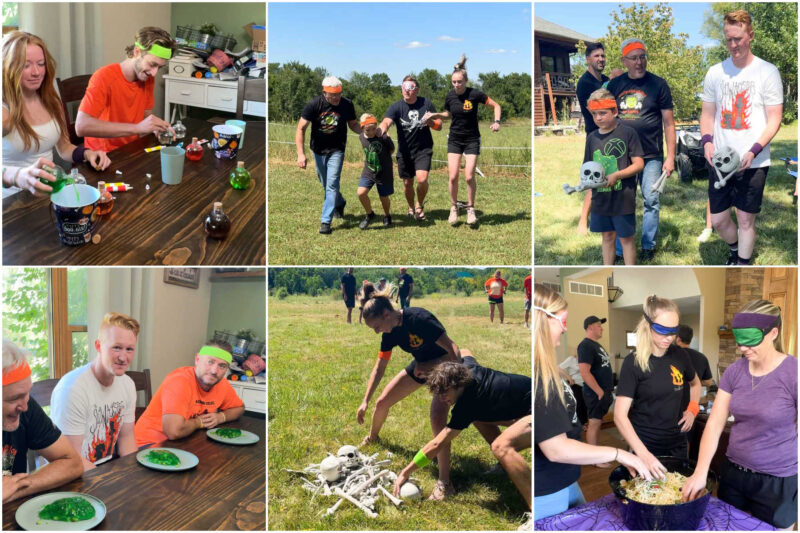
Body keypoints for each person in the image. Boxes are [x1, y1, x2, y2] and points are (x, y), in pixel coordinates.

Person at [534, 284, 649, 521]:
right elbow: (555, 449)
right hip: (545, 490)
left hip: (567, 479)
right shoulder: (537, 377)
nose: (565, 330)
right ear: (542, 321)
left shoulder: (548, 369)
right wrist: (620, 454)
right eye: (562, 321)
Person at [682, 300, 797, 529]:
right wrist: (700, 471)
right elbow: (714, 425)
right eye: (739, 338)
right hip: (734, 473)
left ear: (773, 332)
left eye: (751, 339)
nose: (743, 347)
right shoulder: (735, 371)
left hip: (777, 481)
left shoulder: (794, 372)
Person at [357, 284, 467, 500]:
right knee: (382, 402)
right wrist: (365, 401)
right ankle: (373, 438)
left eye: (377, 326)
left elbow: (453, 350)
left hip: (445, 367)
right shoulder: (390, 331)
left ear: (387, 314)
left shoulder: (419, 319)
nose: (378, 332)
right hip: (421, 366)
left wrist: (455, 383)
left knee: (437, 419)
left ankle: (445, 482)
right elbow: (380, 366)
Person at [392, 360, 532, 529]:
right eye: (438, 394)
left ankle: (535, 512)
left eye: (445, 393)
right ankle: (505, 466)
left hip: (544, 411)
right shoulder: (468, 370)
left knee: (500, 447)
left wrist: (406, 472)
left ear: (457, 385)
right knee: (478, 417)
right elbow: (465, 352)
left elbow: (437, 444)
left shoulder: (468, 403)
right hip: (533, 403)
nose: (442, 399)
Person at [700, 10, 783, 265]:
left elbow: (774, 119)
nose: (733, 45)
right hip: (721, 159)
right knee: (719, 219)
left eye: (738, 38)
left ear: (750, 36)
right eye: (728, 40)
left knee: (746, 220)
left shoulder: (767, 72)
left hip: (753, 161)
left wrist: (753, 150)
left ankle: (742, 265)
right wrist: (707, 142)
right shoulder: (715, 72)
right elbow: (707, 113)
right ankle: (735, 249)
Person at [2, 31, 111, 197]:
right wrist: (18, 176)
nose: (36, 72)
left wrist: (87, 153)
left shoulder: (51, 101)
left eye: (41, 64)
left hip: (48, 193)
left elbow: (64, 148)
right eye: (26, 65)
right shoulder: (4, 110)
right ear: (9, 67)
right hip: (10, 201)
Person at [614, 295, 702, 479]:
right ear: (648, 325)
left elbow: (695, 383)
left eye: (673, 331)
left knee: (675, 495)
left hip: (677, 444)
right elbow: (620, 416)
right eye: (662, 330)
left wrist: (692, 410)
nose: (669, 338)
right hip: (645, 444)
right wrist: (644, 455)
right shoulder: (634, 363)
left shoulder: (681, 356)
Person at [607, 38, 676, 263]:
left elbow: (669, 123)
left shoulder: (658, 85)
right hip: (622, 156)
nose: (639, 62)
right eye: (634, 58)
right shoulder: (616, 86)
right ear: (624, 61)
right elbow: (603, 113)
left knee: (651, 200)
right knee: (622, 202)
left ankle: (648, 245)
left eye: (642, 57)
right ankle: (619, 249)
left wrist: (671, 157)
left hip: (651, 155)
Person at [50, 313, 139, 471]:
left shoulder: (128, 385)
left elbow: (127, 438)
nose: (123, 357)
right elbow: (71, 460)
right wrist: (104, 484)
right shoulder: (72, 389)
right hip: (71, 474)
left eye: (129, 349)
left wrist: (132, 476)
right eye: (116, 347)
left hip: (106, 469)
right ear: (98, 346)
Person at [422, 55, 501, 226]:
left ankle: (471, 209)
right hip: (455, 139)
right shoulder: (450, 96)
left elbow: (496, 106)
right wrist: (435, 115)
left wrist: (496, 122)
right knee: (452, 176)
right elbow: (448, 114)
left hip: (472, 139)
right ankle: (454, 209)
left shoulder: (475, 94)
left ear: (465, 81)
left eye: (459, 82)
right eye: (454, 82)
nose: (456, 85)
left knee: (469, 175)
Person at [2, 339, 83, 503]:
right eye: (14, 399)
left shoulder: (27, 406)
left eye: (27, 394)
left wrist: (18, 486)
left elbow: (72, 463)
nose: (25, 407)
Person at [75, 27, 176, 153]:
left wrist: (156, 127)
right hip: (102, 156)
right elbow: (81, 126)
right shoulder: (104, 77)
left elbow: (146, 114)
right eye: (152, 64)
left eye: (159, 67)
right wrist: (138, 128)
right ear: (137, 52)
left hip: (131, 150)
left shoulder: (147, 77)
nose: (154, 73)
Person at [134, 341, 244, 446]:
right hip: (147, 445)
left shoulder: (222, 384)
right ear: (197, 359)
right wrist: (198, 422)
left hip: (185, 442)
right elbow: (174, 432)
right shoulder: (179, 381)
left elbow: (239, 408)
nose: (214, 371)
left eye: (222, 366)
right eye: (210, 362)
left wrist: (221, 417)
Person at [583, 88, 644, 265]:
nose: (598, 118)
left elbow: (639, 164)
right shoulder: (592, 138)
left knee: (626, 239)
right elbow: (587, 169)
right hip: (600, 200)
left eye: (603, 113)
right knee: (607, 236)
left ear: (615, 111)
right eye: (594, 114)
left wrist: (617, 175)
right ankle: (607, 271)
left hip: (622, 199)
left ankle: (631, 273)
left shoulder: (628, 133)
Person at [296, 76, 360, 235]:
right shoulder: (314, 104)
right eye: (333, 95)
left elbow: (352, 124)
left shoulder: (347, 104)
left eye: (339, 94)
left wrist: (365, 132)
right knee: (326, 184)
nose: (337, 98)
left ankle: (326, 222)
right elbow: (300, 128)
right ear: (325, 93)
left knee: (331, 184)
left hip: (337, 150)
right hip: (318, 150)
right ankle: (340, 202)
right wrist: (300, 154)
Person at [379, 75, 441, 220]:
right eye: (405, 87)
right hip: (404, 151)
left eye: (411, 88)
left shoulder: (426, 104)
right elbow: (386, 121)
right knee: (407, 183)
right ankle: (411, 207)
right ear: (401, 88)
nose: (407, 91)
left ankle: (419, 205)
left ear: (416, 90)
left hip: (423, 149)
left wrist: (430, 122)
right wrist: (381, 130)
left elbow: (439, 126)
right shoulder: (396, 107)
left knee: (422, 179)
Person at [576, 43, 609, 236]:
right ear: (588, 59)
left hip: (611, 133)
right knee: (592, 179)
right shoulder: (585, 82)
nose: (601, 59)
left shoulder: (605, 79)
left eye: (603, 56)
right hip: (595, 136)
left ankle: (607, 217)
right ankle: (582, 221)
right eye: (596, 56)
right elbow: (597, 104)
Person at [578, 315, 614, 466]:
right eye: (599, 325)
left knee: (597, 423)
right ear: (590, 327)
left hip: (603, 392)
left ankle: (595, 454)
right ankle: (594, 460)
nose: (602, 328)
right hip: (595, 393)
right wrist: (599, 391)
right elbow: (584, 372)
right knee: (594, 423)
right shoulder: (585, 345)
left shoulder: (596, 345)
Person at [357, 113, 395, 229]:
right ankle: (369, 214)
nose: (372, 132)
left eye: (374, 128)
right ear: (362, 128)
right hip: (369, 170)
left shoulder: (382, 136)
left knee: (383, 197)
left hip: (384, 172)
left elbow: (392, 149)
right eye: (368, 129)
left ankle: (387, 215)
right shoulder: (361, 137)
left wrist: (384, 160)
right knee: (361, 193)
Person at [558, 354, 588, 426]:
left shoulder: (586, 360)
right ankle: (580, 424)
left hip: (586, 385)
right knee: (578, 404)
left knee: (585, 404)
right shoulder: (571, 359)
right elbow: (558, 368)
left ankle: (584, 423)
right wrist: (569, 377)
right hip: (575, 385)